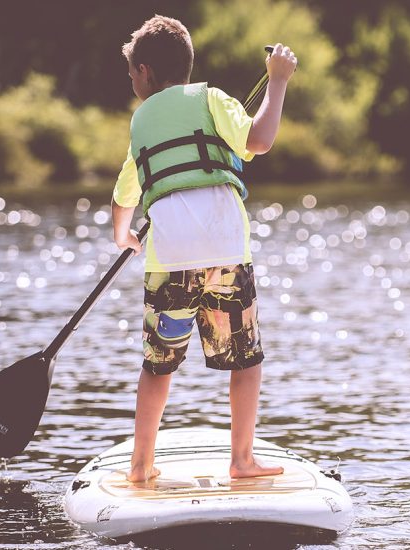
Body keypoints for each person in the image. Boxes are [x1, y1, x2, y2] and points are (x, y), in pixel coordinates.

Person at [110, 14, 297, 482]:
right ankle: (241, 461)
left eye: (132, 70)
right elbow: (260, 138)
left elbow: (124, 194)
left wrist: (122, 235)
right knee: (245, 360)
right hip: (225, 256)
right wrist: (277, 83)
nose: (131, 79)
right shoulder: (211, 99)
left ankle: (140, 465)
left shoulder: (140, 122)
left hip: (169, 261)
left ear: (146, 72)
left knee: (158, 366)